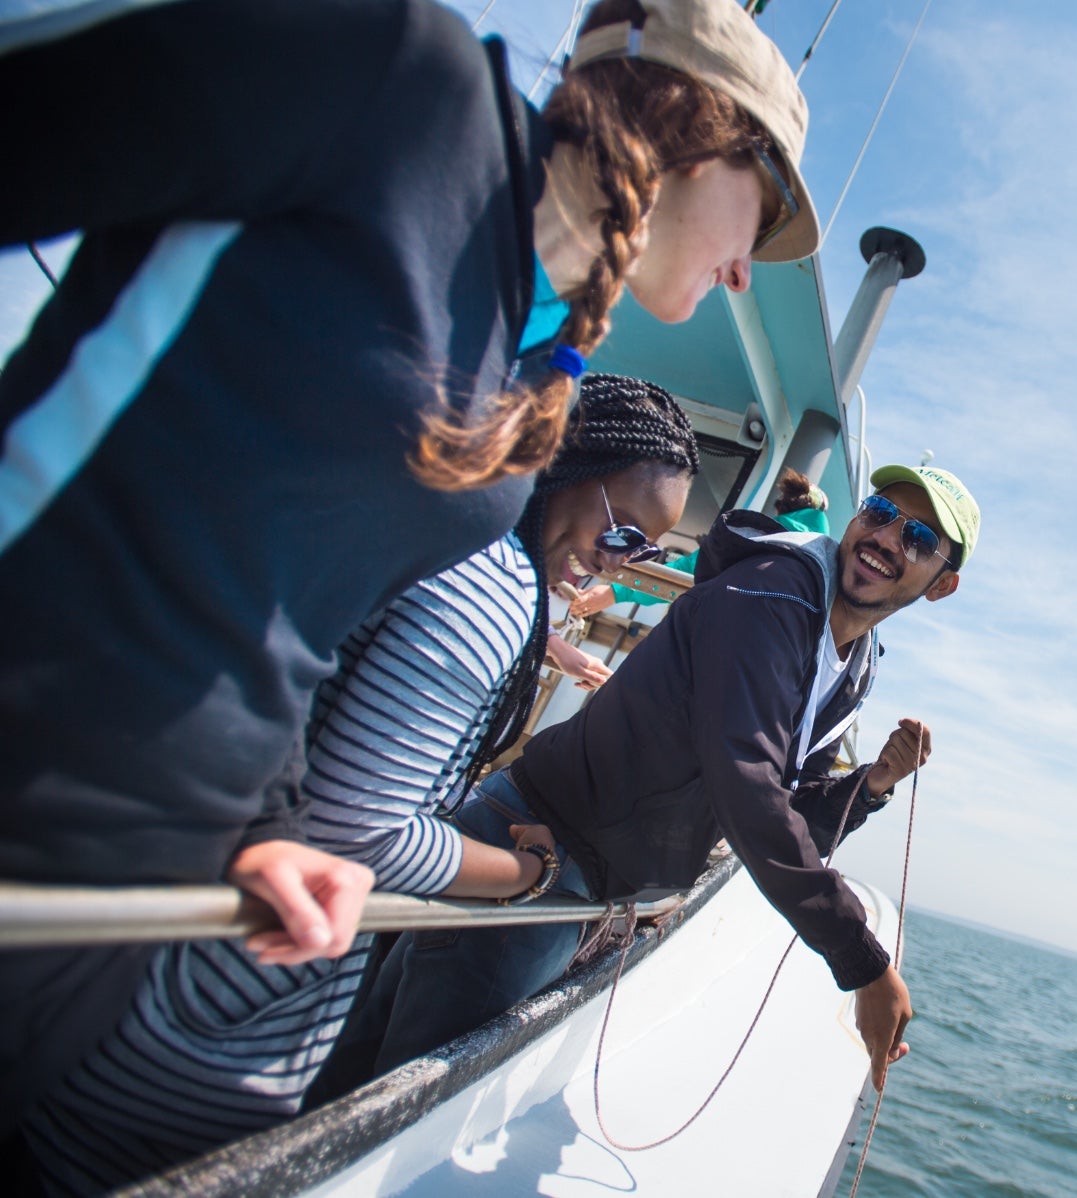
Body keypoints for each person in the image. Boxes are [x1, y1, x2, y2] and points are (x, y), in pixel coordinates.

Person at [0, 0, 823, 1135]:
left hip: (137, 888)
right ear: (703, 126)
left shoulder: (524, 357)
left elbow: (313, 613)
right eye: (767, 208)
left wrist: (282, 824)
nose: (746, 271)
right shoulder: (398, 80)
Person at [20, 375, 701, 1192]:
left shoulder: (436, 528)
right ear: (564, 463)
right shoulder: (488, 594)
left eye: (645, 551)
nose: (617, 560)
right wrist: (529, 874)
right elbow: (361, 835)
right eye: (622, 529)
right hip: (217, 1011)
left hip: (143, 976)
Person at [328, 464, 980, 1095]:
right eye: (882, 512)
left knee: (366, 1073)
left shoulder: (855, 663)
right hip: (538, 856)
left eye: (918, 538)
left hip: (592, 887)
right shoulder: (774, 592)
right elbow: (746, 787)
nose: (887, 538)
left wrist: (869, 787)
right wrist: (862, 962)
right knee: (391, 1102)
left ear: (941, 583)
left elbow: (788, 810)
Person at [575, 464, 830, 614]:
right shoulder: (823, 571)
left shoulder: (760, 537)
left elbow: (689, 571)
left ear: (783, 509)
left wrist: (615, 592)